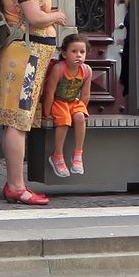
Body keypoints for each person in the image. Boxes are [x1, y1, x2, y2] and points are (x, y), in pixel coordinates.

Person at [0, 0, 65, 206]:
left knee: (17, 120)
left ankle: (15, 182)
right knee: (17, 121)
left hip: (21, 54)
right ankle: (16, 185)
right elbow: (34, 17)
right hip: (26, 55)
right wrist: (56, 15)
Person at [45, 34, 91, 177]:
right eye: (74, 51)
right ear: (64, 54)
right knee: (64, 121)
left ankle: (78, 154)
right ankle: (57, 155)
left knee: (79, 117)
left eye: (82, 52)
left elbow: (85, 94)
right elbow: (50, 92)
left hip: (73, 102)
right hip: (59, 102)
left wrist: (81, 109)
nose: (78, 55)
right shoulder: (58, 69)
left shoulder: (86, 70)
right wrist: (47, 113)